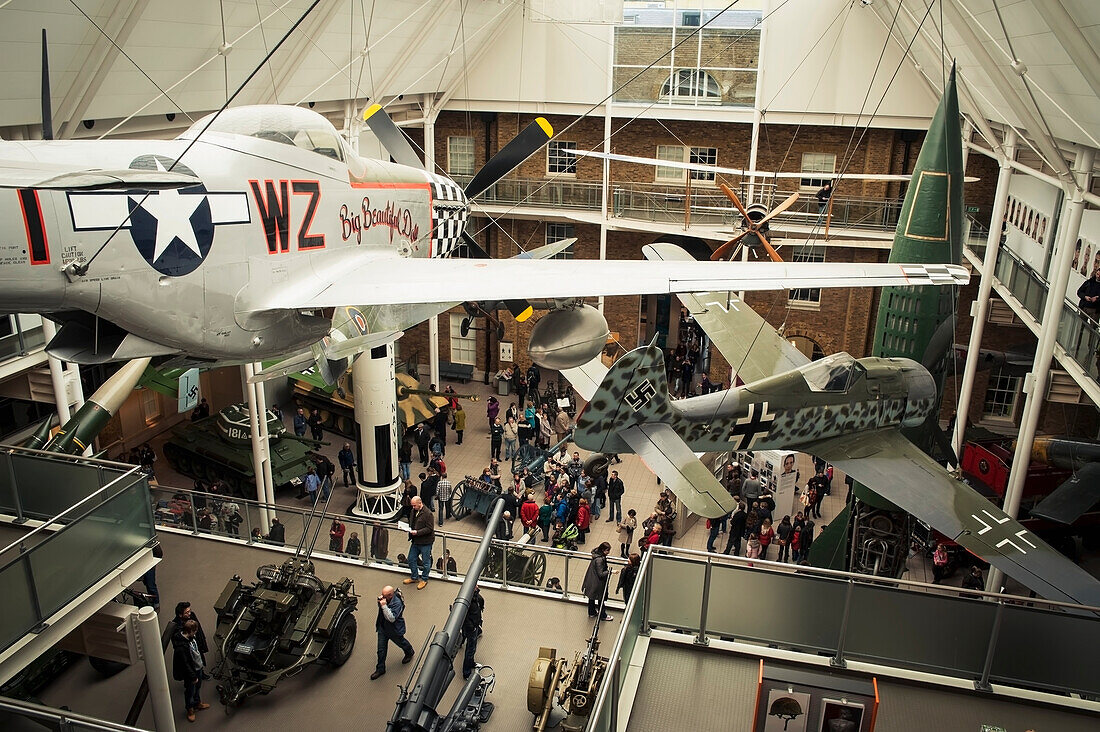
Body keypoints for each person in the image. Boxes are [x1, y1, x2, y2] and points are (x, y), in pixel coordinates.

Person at [371, 585, 415, 680]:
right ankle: (380, 668)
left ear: (390, 595)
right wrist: (380, 602)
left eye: (384, 595)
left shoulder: (397, 604)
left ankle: (409, 651)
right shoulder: (386, 599)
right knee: (381, 650)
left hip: (394, 630)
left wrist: (383, 605)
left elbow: (391, 618)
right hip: (383, 628)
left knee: (401, 642)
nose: (382, 597)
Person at [172, 619, 209, 722]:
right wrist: (193, 676)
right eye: (195, 631)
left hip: (198, 667)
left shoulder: (192, 638)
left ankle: (198, 703)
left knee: (197, 688)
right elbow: (185, 664)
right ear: (189, 631)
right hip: (191, 672)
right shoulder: (181, 647)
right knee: (190, 691)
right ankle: (190, 709)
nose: (196, 632)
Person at [404, 496, 435, 589]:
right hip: (416, 541)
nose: (413, 507)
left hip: (425, 542)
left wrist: (417, 532)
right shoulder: (414, 511)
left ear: (420, 503)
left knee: (426, 562)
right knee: (411, 559)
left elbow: (430, 528)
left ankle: (424, 579)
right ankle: (415, 577)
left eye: (414, 505)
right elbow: (412, 523)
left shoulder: (428, 513)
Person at [582, 542, 614, 621]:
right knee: (601, 599)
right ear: (603, 550)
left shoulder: (596, 556)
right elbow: (601, 574)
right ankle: (603, 615)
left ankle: (592, 612)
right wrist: (610, 572)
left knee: (591, 598)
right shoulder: (600, 560)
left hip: (591, 580)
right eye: (607, 551)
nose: (608, 552)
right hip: (598, 583)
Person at [461, 585, 485, 680]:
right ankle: (466, 672)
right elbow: (465, 618)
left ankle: (471, 663)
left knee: (470, 647)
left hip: (473, 625)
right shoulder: (470, 600)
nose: (477, 586)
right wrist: (472, 628)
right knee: (471, 649)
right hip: (471, 628)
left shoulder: (475, 597)